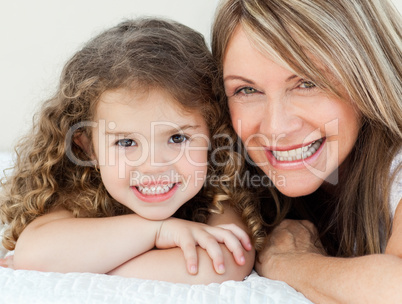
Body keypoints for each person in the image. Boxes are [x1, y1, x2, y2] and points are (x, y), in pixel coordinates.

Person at [0, 18, 256, 284]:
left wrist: (91, 265)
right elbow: (34, 254)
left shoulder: (221, 190)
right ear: (88, 149)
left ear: (213, 136)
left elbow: (224, 264)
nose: (153, 165)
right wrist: (156, 231)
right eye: (126, 143)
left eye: (178, 138)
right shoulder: (82, 192)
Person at [212, 0, 402, 302]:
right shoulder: (229, 164)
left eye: (307, 83)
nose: (275, 128)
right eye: (246, 90)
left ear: (367, 76)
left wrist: (289, 261)